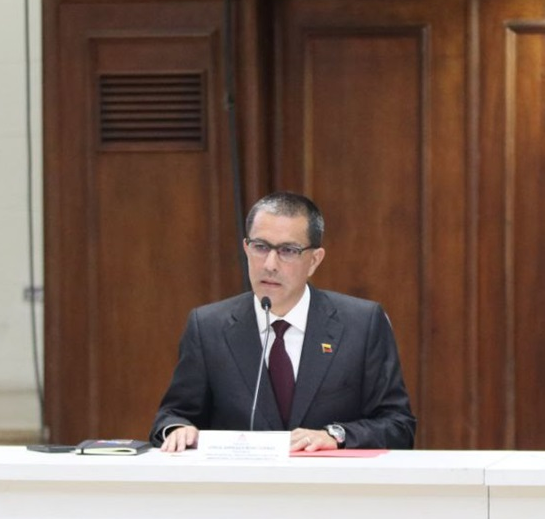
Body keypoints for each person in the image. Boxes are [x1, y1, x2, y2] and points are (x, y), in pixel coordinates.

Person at [150, 191, 416, 452]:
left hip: (327, 480)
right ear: (246, 249)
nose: (270, 264)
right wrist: (178, 429)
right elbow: (173, 415)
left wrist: (336, 436)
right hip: (243, 480)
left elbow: (398, 426)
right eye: (260, 247)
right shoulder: (208, 326)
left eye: (288, 250)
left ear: (314, 260)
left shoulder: (362, 324)